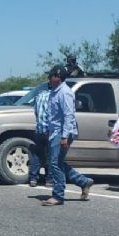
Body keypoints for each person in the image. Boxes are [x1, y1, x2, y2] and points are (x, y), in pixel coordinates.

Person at [41, 65, 93, 206]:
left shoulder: (65, 93)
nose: (49, 78)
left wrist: (64, 137)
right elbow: (54, 116)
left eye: (51, 75)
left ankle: (58, 195)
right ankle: (83, 181)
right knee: (57, 162)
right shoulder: (54, 92)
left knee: (55, 164)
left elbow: (68, 116)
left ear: (58, 77)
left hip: (62, 133)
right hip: (55, 132)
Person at [27, 85, 51, 187]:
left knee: (37, 155)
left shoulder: (39, 95)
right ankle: (49, 180)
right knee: (51, 155)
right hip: (50, 130)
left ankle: (33, 178)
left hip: (39, 129)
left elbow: (36, 112)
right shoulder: (54, 96)